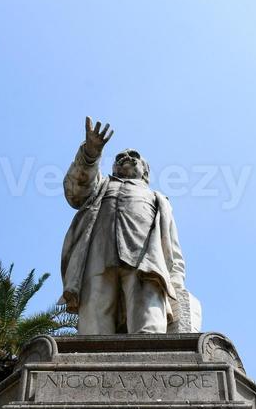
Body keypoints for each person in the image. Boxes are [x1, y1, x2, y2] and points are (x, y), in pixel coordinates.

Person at [61, 117, 186, 335]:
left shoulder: (157, 198)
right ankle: (91, 365)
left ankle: (151, 364)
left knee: (148, 317)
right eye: (120, 157)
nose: (126, 157)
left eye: (134, 156)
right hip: (98, 255)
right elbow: (75, 192)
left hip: (145, 259)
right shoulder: (100, 186)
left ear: (145, 171)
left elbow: (172, 248)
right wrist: (90, 154)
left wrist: (176, 283)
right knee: (94, 318)